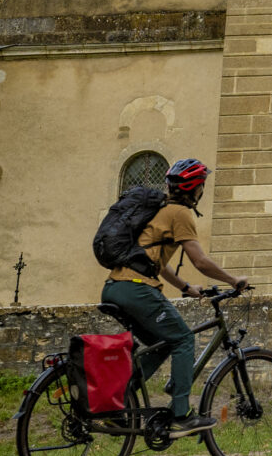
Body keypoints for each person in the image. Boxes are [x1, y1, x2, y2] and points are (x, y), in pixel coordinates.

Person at [100, 158, 249, 430]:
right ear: (196, 188)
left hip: (115, 287)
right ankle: (181, 415)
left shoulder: (159, 210)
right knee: (183, 339)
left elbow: (157, 263)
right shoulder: (180, 213)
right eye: (202, 185)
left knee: (163, 343)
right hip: (136, 288)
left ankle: (117, 401)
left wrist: (186, 288)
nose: (202, 190)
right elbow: (200, 261)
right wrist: (233, 280)